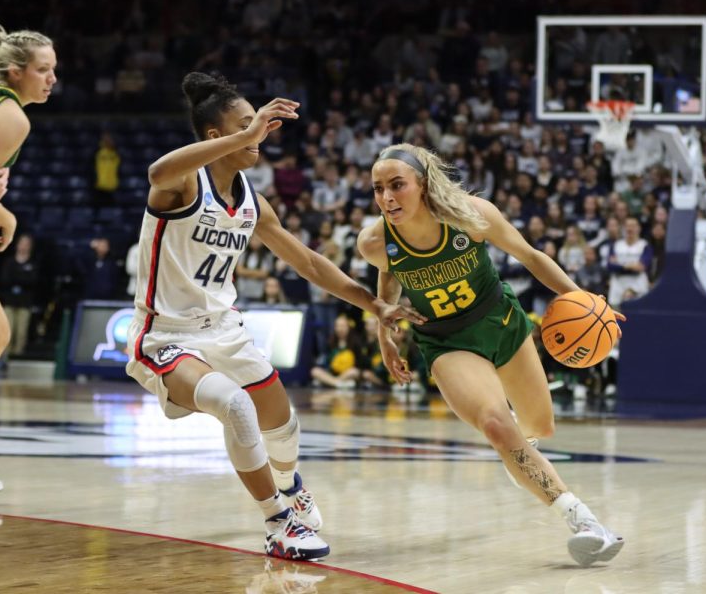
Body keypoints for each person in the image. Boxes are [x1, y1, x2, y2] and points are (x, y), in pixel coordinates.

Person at [126, 73, 423, 561]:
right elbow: (157, 171)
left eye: (259, 124)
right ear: (215, 137)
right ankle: (278, 524)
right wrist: (248, 133)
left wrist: (376, 304)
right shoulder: (181, 182)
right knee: (235, 405)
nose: (262, 133)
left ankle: (290, 486)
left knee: (283, 426)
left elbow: (308, 263)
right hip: (165, 335)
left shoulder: (251, 201)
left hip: (225, 331)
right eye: (247, 125)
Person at [357, 143, 625, 567]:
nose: (387, 198)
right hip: (446, 342)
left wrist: (584, 299)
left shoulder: (471, 214)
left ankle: (521, 449)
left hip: (501, 321)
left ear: (423, 186)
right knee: (497, 425)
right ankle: (586, 522)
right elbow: (388, 281)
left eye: (397, 186)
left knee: (539, 426)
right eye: (378, 189)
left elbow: (532, 257)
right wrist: (384, 335)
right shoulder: (375, 242)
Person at [0, 25, 56, 358]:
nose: (52, 79)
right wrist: (5, 214)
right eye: (43, 69)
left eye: (53, 69)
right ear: (16, 73)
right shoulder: (12, 117)